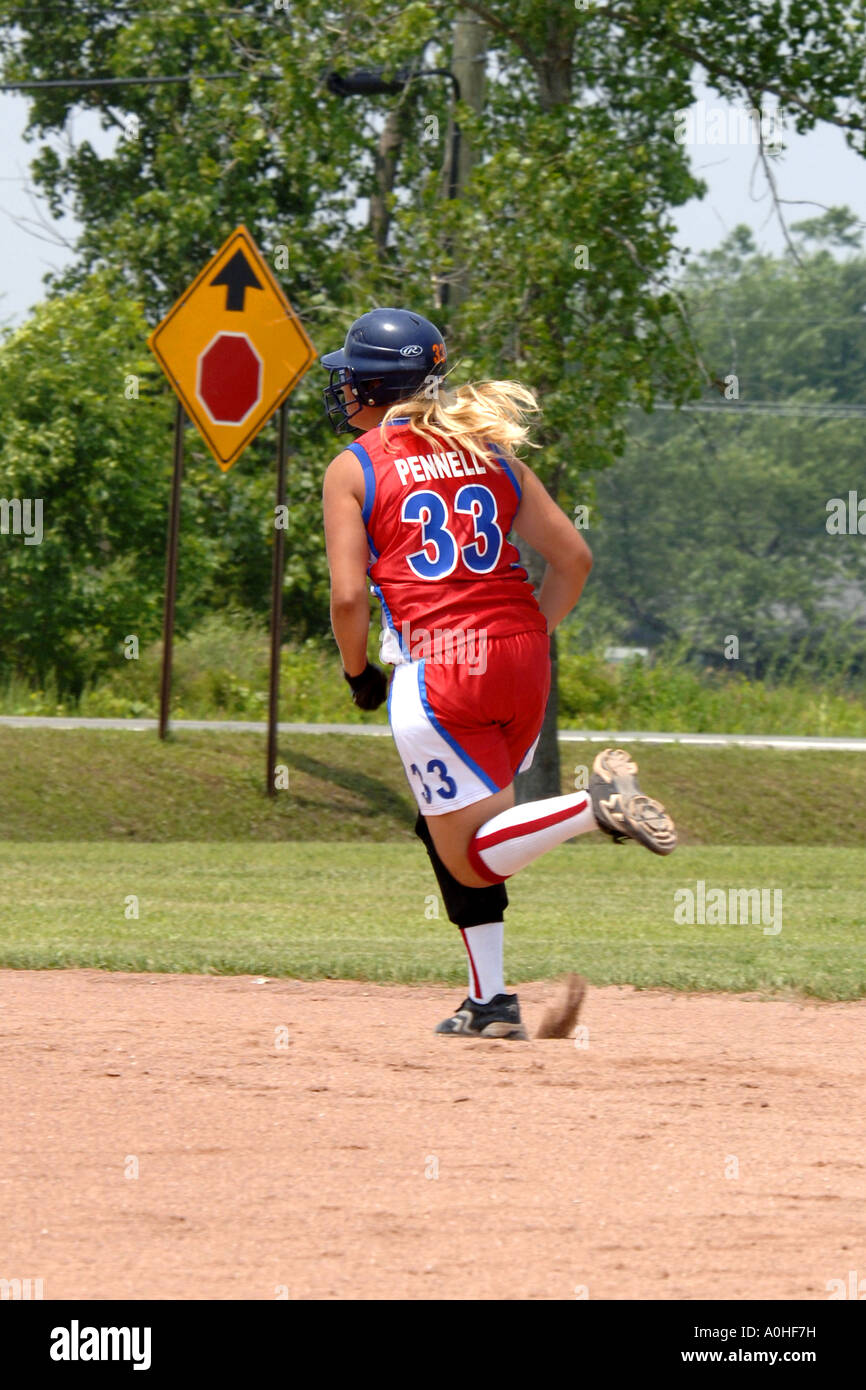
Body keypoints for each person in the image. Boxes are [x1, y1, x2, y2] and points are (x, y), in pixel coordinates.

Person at [320, 307, 676, 1040]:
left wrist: (358, 674)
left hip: (440, 664)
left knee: (476, 856)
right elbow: (573, 559)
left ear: (370, 386)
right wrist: (531, 631)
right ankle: (490, 1002)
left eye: (348, 377)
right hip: (520, 658)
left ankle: (592, 807)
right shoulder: (486, 450)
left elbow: (349, 596)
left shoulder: (353, 467)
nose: (342, 389)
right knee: (460, 832)